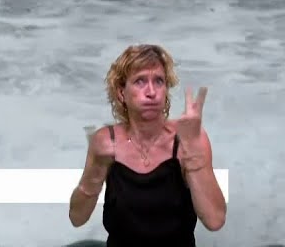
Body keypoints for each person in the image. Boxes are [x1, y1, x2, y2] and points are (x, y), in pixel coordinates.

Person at [67, 44, 227, 245]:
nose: (151, 92)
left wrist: (193, 157)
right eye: (140, 81)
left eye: (158, 81)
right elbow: (77, 218)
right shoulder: (106, 142)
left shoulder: (188, 139)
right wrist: (97, 171)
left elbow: (215, 220)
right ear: (121, 93)